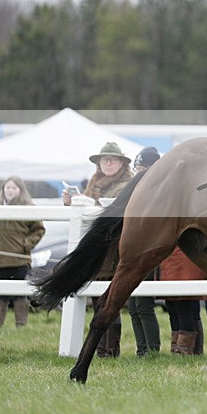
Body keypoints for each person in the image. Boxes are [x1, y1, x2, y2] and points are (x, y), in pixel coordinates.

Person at [63, 141, 134, 357]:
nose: (108, 163)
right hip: (97, 247)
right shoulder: (95, 183)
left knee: (110, 298)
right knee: (98, 299)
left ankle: (109, 349)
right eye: (105, 159)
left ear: (122, 163)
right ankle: (102, 348)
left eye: (113, 159)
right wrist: (72, 203)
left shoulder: (127, 184)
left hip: (114, 246)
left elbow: (116, 212)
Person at [0, 176, 45, 327]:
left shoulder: (28, 207)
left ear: (20, 190)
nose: (10, 190)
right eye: (7, 187)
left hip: (19, 260)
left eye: (14, 188)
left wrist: (25, 244)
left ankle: (21, 325)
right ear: (3, 189)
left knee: (20, 294)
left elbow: (39, 229)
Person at [126, 146, 162, 356]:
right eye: (138, 167)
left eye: (143, 167)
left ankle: (153, 349)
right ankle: (142, 350)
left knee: (144, 304)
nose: (140, 171)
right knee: (133, 305)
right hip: (134, 249)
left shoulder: (157, 189)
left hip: (149, 249)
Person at [160, 247, 207, 355]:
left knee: (184, 308)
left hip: (182, 266)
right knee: (174, 309)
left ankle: (184, 351)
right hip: (172, 264)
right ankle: (178, 349)